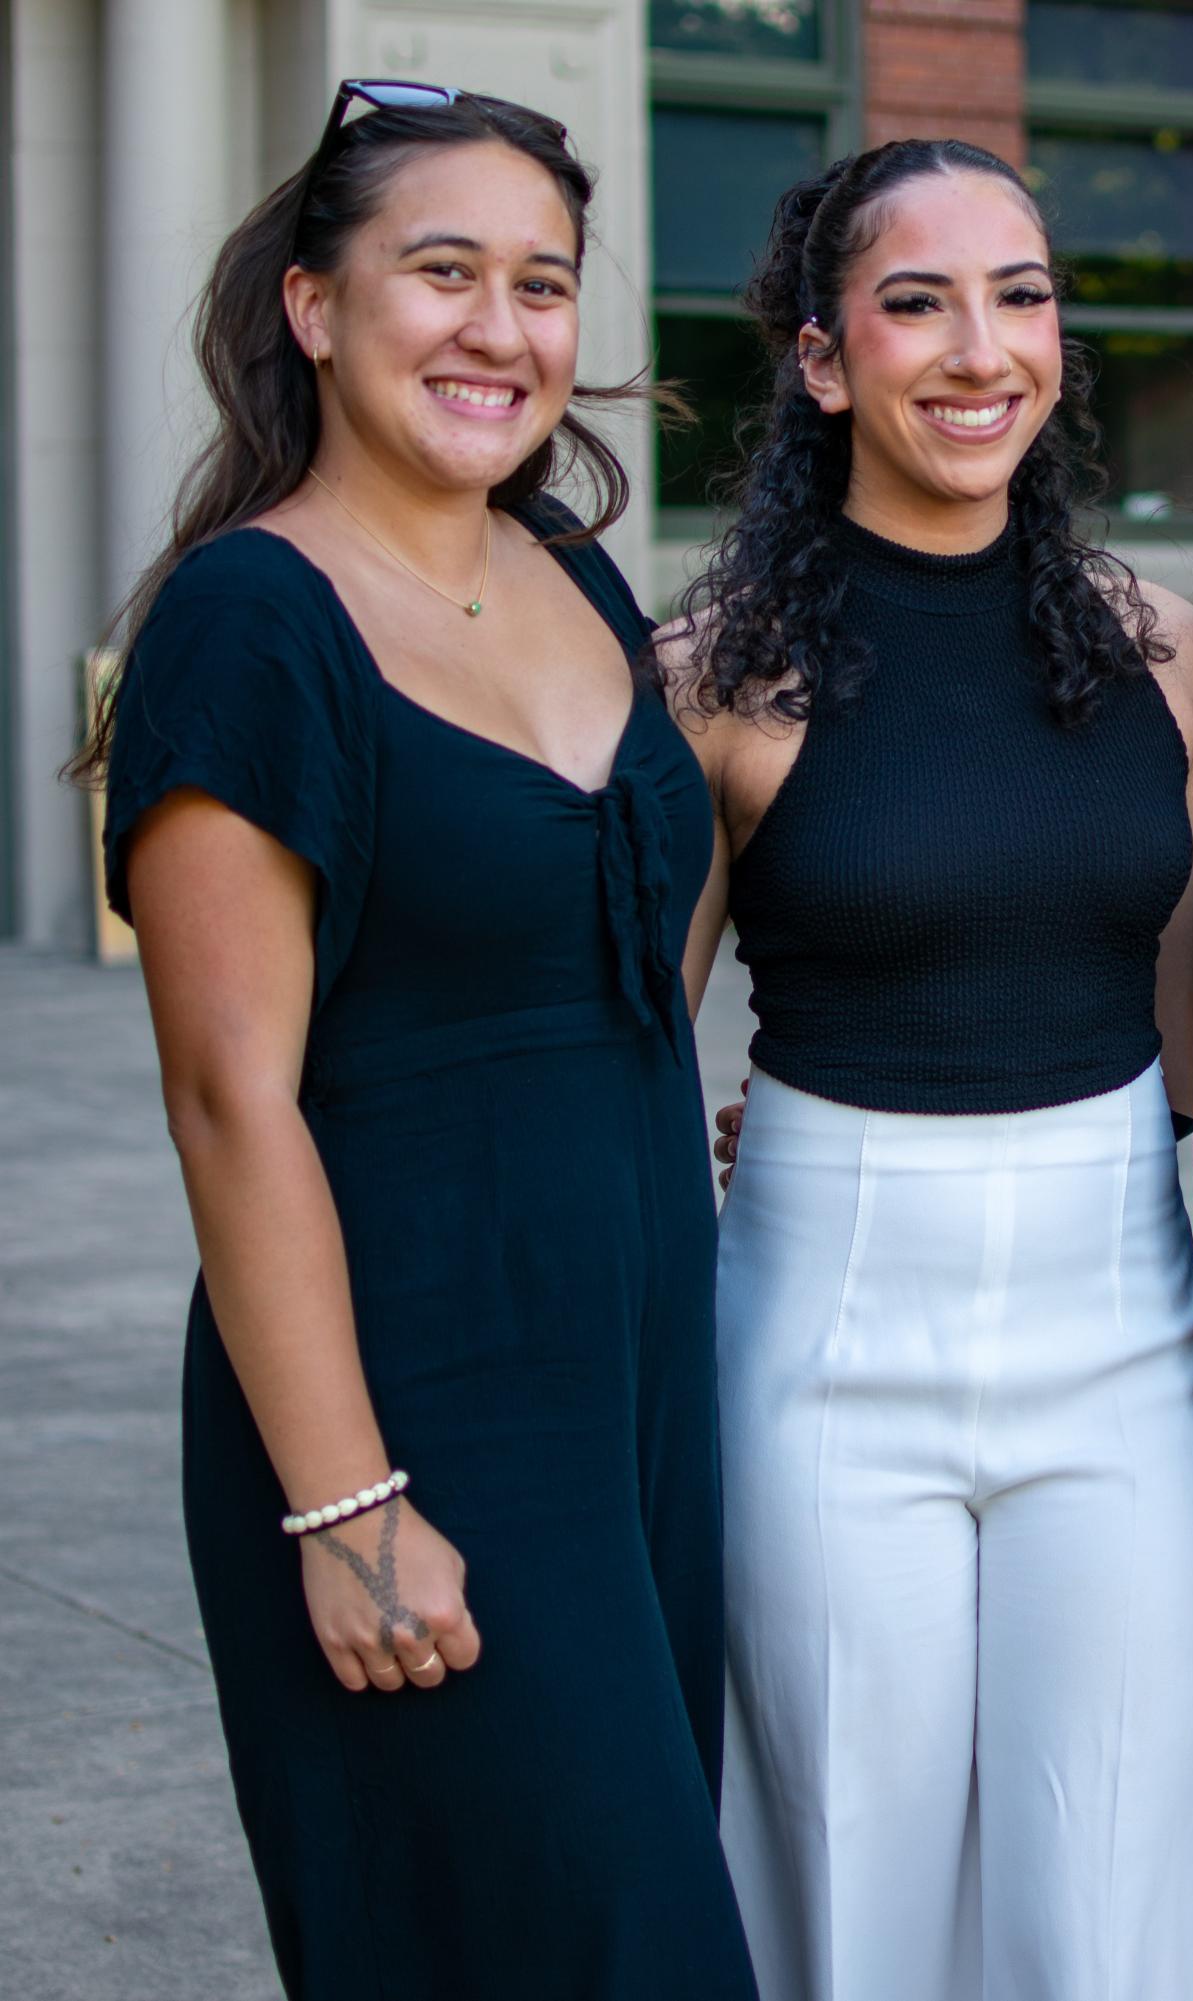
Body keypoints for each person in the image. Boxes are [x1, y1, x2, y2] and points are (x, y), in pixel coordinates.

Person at [75, 81, 756, 1998]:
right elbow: (229, 1098)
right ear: (312, 306)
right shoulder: (249, 623)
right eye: (439, 270)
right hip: (418, 1391)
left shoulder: (574, 580)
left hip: (633, 1373)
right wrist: (349, 1503)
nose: (501, 327)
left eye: (542, 283)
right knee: (605, 1947)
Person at [667, 139, 1193, 2000]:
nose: (979, 345)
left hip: (1125, 1322)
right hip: (825, 1332)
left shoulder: (1166, 654)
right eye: (915, 300)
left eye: (1021, 292)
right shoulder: (712, 676)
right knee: (850, 1879)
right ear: (824, 359)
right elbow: (612, 1052)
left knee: (1117, 1872)